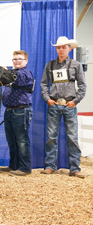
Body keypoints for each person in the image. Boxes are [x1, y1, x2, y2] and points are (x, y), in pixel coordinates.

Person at [40, 36, 86, 178]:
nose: (61, 50)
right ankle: (50, 166)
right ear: (56, 49)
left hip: (69, 105)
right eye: (58, 47)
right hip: (54, 104)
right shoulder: (50, 65)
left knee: (72, 137)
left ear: (69, 49)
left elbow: (82, 85)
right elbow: (43, 84)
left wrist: (75, 101)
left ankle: (75, 168)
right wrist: (47, 99)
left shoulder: (76, 65)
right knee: (51, 137)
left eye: (64, 47)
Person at [0, 50, 34, 176]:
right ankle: (14, 165)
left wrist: (6, 71)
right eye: (14, 59)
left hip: (21, 110)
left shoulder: (25, 73)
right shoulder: (12, 73)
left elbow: (18, 79)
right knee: (12, 140)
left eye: (20, 59)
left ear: (26, 61)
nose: (17, 61)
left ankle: (25, 168)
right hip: (10, 110)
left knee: (22, 140)